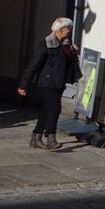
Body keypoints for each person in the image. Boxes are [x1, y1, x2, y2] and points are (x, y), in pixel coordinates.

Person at [18, 17, 82, 149]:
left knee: (48, 109)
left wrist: (73, 52)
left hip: (58, 82)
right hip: (47, 82)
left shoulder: (65, 45)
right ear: (62, 29)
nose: (69, 32)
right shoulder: (47, 44)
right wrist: (23, 85)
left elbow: (68, 63)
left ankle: (36, 137)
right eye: (69, 29)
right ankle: (50, 138)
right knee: (55, 107)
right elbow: (33, 65)